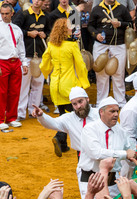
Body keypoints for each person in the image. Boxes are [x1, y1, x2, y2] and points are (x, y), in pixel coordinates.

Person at [31, 87, 100, 197]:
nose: (78, 106)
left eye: (80, 101)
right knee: (85, 192)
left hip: (102, 158)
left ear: (87, 99)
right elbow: (53, 123)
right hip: (83, 159)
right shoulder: (69, 118)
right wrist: (41, 116)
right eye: (74, 104)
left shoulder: (100, 114)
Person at [39, 17, 90, 157]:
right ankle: (60, 137)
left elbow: (44, 64)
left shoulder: (51, 45)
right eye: (69, 26)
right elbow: (81, 65)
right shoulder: (72, 45)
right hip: (69, 84)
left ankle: (63, 145)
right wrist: (84, 83)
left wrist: (47, 74)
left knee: (63, 114)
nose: (71, 28)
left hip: (55, 83)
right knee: (73, 115)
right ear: (64, 29)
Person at [78, 96, 135, 199]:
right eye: (112, 111)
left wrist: (134, 158)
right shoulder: (90, 129)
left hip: (112, 182)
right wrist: (124, 154)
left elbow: (130, 153)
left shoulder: (121, 131)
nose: (116, 114)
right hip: (91, 179)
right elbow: (96, 153)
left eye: (117, 111)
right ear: (101, 112)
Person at [87, 0, 133, 108]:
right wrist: (96, 34)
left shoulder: (121, 8)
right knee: (101, 74)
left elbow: (130, 23)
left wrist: (120, 24)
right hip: (101, 45)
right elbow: (90, 26)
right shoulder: (97, 9)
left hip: (118, 45)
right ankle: (101, 103)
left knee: (118, 73)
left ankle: (120, 102)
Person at [13, 0, 51, 121]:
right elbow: (14, 30)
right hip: (26, 55)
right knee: (24, 84)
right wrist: (28, 33)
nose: (37, 2)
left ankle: (33, 110)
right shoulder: (23, 14)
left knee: (38, 83)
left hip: (40, 54)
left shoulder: (46, 16)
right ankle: (20, 112)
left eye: (40, 0)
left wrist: (46, 34)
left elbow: (50, 31)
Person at [0, 3, 28, 131]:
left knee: (15, 91)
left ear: (12, 13)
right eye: (2, 13)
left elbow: (21, 47)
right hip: (2, 62)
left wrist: (25, 63)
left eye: (7, 13)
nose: (4, 16)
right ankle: (0, 119)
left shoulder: (17, 29)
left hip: (15, 62)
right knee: (2, 92)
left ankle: (11, 117)